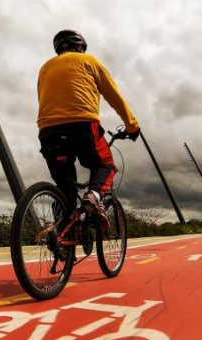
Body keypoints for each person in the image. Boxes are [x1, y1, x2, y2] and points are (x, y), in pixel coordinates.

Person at [37, 29, 140, 228]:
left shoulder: (44, 68)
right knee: (106, 165)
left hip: (48, 130)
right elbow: (114, 97)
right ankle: (93, 196)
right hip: (82, 125)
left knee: (64, 188)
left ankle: (62, 233)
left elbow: (43, 98)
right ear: (80, 47)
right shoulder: (90, 61)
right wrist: (132, 126)